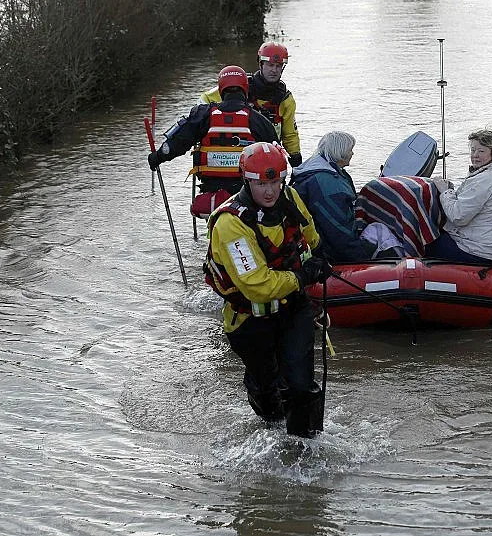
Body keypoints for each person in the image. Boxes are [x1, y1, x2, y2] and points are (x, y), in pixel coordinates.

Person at [204, 141, 332, 437]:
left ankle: (307, 444)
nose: (270, 190)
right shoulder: (230, 224)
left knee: (301, 384)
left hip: (293, 309)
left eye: (275, 182)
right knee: (266, 390)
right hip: (250, 320)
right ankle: (270, 425)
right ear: (247, 181)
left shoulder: (290, 198)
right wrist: (301, 277)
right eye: (261, 183)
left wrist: (321, 256)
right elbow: (257, 286)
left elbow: (309, 232)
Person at [147, 65, 280, 213]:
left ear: (221, 89)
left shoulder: (202, 115)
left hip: (211, 194)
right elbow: (277, 155)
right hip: (247, 195)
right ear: (245, 89)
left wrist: (157, 157)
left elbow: (177, 144)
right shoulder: (259, 120)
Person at [199, 41, 302, 166]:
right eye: (270, 65)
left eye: (278, 66)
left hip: (266, 156)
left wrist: (296, 161)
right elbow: (205, 100)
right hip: (234, 154)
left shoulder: (285, 99)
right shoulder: (239, 86)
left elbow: (290, 135)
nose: (274, 70)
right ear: (261, 64)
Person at [426, 130, 492, 264]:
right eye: (473, 150)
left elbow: (458, 216)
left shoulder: (486, 180)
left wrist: (445, 191)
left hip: (479, 251)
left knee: (424, 242)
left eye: (481, 151)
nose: (475, 155)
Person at [290, 131, 383, 263]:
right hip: (327, 251)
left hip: (317, 239)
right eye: (351, 150)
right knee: (385, 238)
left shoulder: (314, 170)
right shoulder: (328, 185)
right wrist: (363, 260)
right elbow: (338, 231)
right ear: (341, 153)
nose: (352, 153)